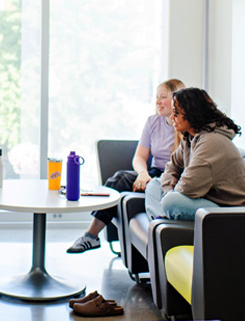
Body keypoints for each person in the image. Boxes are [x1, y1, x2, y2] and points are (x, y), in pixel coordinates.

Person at [67, 79, 186, 253]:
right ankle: (91, 237)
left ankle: (90, 236)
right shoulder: (153, 122)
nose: (158, 102)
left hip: (172, 177)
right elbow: (139, 156)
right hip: (153, 173)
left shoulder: (185, 126)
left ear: (176, 100)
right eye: (156, 97)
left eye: (163, 97)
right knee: (119, 179)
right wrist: (143, 173)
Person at [144, 87, 245, 221]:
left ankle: (163, 220)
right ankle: (163, 222)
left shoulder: (212, 142)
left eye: (176, 113)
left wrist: (169, 196)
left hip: (230, 211)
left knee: (172, 201)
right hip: (207, 200)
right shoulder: (190, 138)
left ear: (192, 114)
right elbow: (171, 167)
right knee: (154, 185)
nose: (171, 117)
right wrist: (168, 191)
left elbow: (188, 187)